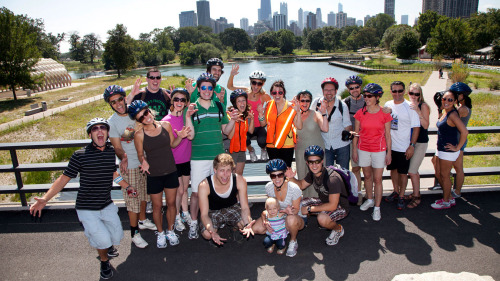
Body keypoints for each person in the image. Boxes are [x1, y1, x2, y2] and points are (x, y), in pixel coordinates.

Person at [30, 118, 131, 279]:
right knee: (103, 240)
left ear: (107, 132)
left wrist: (127, 186)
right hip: (87, 208)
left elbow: (113, 174)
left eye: (102, 128)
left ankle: (105, 245)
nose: (99, 131)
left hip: (106, 204)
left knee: (116, 234)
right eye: (95, 129)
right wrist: (45, 199)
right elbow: (63, 179)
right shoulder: (80, 155)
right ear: (90, 134)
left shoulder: (110, 151)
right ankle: (104, 262)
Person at [129, 100, 192, 248]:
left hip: (170, 171)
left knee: (171, 204)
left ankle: (170, 230)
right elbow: (140, 154)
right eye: (141, 117)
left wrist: (181, 136)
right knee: (157, 207)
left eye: (146, 113)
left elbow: (173, 144)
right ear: (138, 120)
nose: (146, 117)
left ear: (149, 110)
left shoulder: (166, 125)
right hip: (154, 174)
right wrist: (143, 161)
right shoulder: (139, 134)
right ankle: (160, 232)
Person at [187, 73, 238, 240]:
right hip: (199, 157)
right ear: (199, 89)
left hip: (218, 157)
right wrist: (188, 117)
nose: (207, 91)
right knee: (195, 193)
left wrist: (234, 121)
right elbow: (190, 136)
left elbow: (226, 130)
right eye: (204, 88)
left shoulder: (219, 106)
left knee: (217, 190)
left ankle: (216, 220)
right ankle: (194, 223)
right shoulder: (192, 108)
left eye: (210, 88)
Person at [105, 85, 156, 249]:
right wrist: (123, 157)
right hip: (131, 167)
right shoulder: (112, 123)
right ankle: (134, 233)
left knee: (143, 196)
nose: (118, 104)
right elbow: (117, 146)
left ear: (124, 98)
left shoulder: (134, 112)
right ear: (110, 104)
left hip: (144, 163)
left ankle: (142, 221)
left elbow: (142, 130)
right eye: (113, 102)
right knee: (132, 200)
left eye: (120, 99)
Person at [286, 145, 349, 246]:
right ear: (307, 163)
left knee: (322, 219)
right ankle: (303, 221)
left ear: (322, 161)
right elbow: (301, 185)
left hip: (340, 206)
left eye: (317, 161)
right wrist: (291, 178)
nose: (314, 165)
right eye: (311, 162)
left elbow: (333, 205)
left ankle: (338, 229)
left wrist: (310, 209)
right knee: (301, 203)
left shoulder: (332, 179)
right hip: (324, 201)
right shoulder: (312, 174)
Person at [242, 159, 304, 257]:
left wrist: (285, 212)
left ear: (284, 174)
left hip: (294, 216)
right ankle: (276, 237)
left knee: (291, 219)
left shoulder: (294, 188)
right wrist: (265, 221)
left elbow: (296, 210)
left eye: (279, 175)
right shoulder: (269, 187)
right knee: (256, 228)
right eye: (273, 176)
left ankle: (293, 240)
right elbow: (269, 208)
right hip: (277, 215)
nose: (277, 178)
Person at [352, 84, 392, 221]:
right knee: (367, 176)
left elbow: (388, 135)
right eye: (365, 95)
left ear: (377, 97)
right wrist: (354, 150)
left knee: (377, 179)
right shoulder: (360, 113)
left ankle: (377, 207)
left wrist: (389, 153)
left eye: (369, 96)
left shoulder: (384, 113)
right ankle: (369, 199)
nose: (366, 98)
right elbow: (356, 134)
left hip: (379, 150)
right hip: (363, 149)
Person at [198, 153, 253, 246]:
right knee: (207, 234)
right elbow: (204, 215)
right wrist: (212, 232)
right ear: (215, 170)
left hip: (232, 207)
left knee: (247, 223)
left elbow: (244, 208)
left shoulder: (239, 180)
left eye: (228, 170)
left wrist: (247, 224)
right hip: (213, 211)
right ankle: (216, 233)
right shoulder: (204, 185)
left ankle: (235, 229)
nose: (225, 175)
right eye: (222, 170)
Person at [161, 88, 196, 232]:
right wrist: (179, 136)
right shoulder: (165, 121)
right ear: (171, 100)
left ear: (186, 102)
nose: (179, 102)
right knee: (179, 191)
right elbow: (167, 144)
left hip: (186, 159)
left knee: (185, 190)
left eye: (183, 100)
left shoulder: (187, 117)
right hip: (172, 161)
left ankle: (185, 212)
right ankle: (176, 216)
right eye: (176, 99)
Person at [383, 81, 420, 210]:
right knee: (393, 170)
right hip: (391, 147)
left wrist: (412, 146)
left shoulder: (410, 106)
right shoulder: (387, 104)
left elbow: (416, 128)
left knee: (403, 173)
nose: (397, 94)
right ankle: (396, 191)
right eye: (394, 91)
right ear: (391, 91)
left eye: (400, 91)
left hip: (404, 147)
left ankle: (402, 195)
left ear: (404, 91)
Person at [227, 65, 272, 162]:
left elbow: (273, 109)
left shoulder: (265, 96)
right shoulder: (245, 92)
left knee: (263, 141)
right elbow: (230, 87)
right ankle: (251, 150)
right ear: (250, 82)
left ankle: (263, 150)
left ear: (263, 84)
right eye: (253, 82)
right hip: (246, 124)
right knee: (245, 140)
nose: (256, 86)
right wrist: (232, 75)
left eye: (259, 83)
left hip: (259, 125)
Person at [432, 91, 468, 209]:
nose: (446, 102)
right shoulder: (445, 112)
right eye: (444, 99)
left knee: (444, 176)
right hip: (441, 149)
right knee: (439, 173)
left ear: (455, 101)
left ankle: (446, 201)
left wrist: (457, 147)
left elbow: (464, 131)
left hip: (448, 150)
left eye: (450, 100)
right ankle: (449, 197)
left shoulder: (453, 114)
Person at [258, 80, 303, 167]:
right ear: (271, 93)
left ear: (284, 93)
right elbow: (263, 124)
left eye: (280, 92)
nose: (277, 95)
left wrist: (298, 112)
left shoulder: (291, 106)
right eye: (274, 92)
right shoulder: (268, 105)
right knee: (275, 171)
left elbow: (299, 126)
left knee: (286, 173)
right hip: (271, 146)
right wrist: (260, 114)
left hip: (287, 146)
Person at [312, 77, 352, 169]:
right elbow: (309, 118)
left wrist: (349, 132)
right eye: (326, 90)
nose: (329, 93)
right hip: (324, 145)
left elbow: (347, 124)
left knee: (343, 173)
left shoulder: (342, 105)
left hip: (341, 144)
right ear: (322, 90)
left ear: (336, 91)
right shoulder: (316, 103)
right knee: (326, 173)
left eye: (332, 90)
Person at [295, 90, 328, 197]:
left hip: (316, 152)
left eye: (307, 101)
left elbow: (325, 128)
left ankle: (318, 203)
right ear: (298, 101)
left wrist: (324, 113)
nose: (305, 103)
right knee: (302, 178)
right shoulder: (294, 114)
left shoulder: (316, 114)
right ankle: (304, 204)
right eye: (302, 100)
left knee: (317, 177)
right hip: (300, 152)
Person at [406, 83, 430, 208]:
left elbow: (425, 125)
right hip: (409, 142)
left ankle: (417, 197)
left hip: (420, 142)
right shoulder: (407, 105)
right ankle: (416, 192)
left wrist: (418, 110)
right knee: (412, 170)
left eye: (416, 94)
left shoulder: (423, 106)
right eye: (411, 93)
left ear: (420, 94)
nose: (414, 96)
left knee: (412, 171)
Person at [343, 76, 365, 203]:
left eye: (357, 87)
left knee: (369, 169)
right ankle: (357, 193)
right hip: (353, 141)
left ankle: (370, 194)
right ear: (348, 89)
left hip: (368, 140)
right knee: (355, 168)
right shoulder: (346, 102)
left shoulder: (368, 100)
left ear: (360, 87)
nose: (355, 90)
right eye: (351, 88)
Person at [450, 82, 473, 198]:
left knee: (458, 167)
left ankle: (457, 191)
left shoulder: (463, 109)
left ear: (462, 95)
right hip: (455, 140)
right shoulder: (460, 107)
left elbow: (450, 120)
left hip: (459, 141)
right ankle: (446, 185)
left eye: (454, 95)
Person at [227, 89, 255, 175]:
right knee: (230, 177)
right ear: (235, 103)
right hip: (230, 151)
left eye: (243, 100)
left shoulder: (245, 115)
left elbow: (251, 131)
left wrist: (252, 118)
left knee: (239, 176)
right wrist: (234, 120)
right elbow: (229, 136)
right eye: (239, 101)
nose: (242, 103)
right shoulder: (229, 116)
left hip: (242, 150)